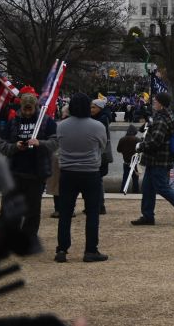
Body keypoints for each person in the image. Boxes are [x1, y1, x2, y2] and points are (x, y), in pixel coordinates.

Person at [0, 89, 58, 248]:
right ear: (21, 107)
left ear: (35, 107)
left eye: (30, 109)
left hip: (36, 172)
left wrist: (40, 143)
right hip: (13, 171)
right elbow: (2, 145)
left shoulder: (46, 122)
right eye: (25, 108)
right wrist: (15, 147)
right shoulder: (12, 122)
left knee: (33, 211)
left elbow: (55, 143)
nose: (27, 112)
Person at [55, 93, 108, 262]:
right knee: (92, 212)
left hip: (67, 171)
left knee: (65, 212)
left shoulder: (61, 126)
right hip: (90, 171)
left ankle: (62, 249)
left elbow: (58, 145)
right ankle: (91, 250)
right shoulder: (97, 126)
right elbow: (102, 146)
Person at [130, 92, 174, 226]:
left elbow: (156, 141)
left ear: (160, 103)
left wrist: (141, 146)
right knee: (148, 188)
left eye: (155, 101)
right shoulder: (165, 116)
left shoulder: (160, 119)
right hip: (159, 158)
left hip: (158, 159)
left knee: (161, 187)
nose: (154, 103)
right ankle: (148, 215)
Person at [89, 98, 113, 215]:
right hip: (101, 153)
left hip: (100, 154)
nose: (91, 109)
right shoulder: (102, 118)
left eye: (93, 107)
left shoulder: (102, 119)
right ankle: (96, 204)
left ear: (100, 108)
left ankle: (99, 205)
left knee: (97, 181)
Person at [116, 124, 140, 193]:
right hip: (135, 163)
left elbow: (118, 150)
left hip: (126, 162)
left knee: (125, 178)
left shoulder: (122, 139)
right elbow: (141, 150)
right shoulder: (137, 140)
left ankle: (122, 191)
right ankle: (135, 192)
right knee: (135, 179)